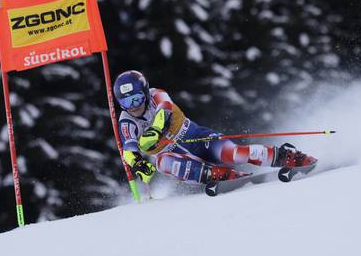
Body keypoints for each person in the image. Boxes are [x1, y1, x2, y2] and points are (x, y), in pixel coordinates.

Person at [113, 70, 315, 185]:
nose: (134, 106)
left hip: (197, 138)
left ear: (145, 93)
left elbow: (165, 111)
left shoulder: (157, 94)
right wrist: (138, 164)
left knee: (234, 154)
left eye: (137, 98)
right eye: (127, 103)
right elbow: (128, 150)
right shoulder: (126, 121)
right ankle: (216, 175)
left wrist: (155, 131)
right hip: (177, 157)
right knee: (162, 163)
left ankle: (284, 155)